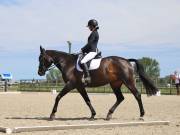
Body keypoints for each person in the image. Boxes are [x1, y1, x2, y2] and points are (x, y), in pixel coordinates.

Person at [80, 19, 99, 84]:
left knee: (82, 61)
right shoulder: (94, 32)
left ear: (92, 26)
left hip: (92, 52)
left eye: (89, 26)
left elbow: (90, 44)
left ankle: (87, 77)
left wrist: (82, 49)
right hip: (91, 51)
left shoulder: (94, 33)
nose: (89, 28)